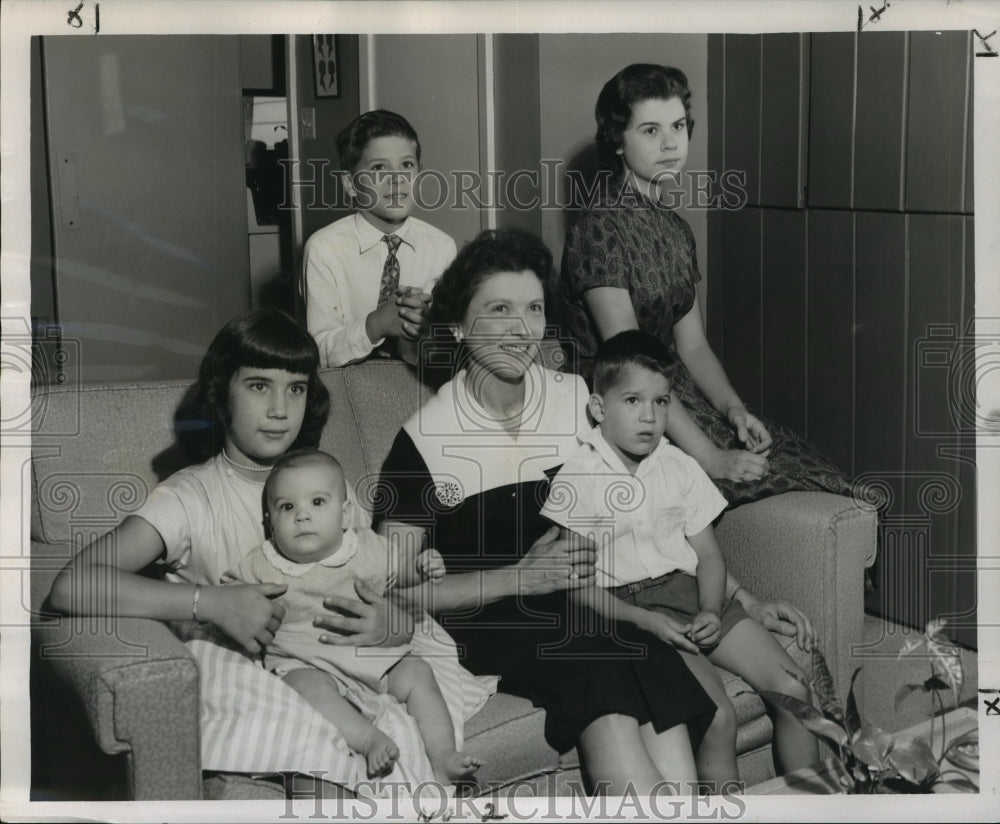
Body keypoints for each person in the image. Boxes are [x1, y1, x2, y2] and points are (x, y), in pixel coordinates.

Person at [374, 228, 813, 796]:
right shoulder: (424, 440)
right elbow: (391, 592)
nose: (519, 327)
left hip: (596, 599)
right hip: (499, 620)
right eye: (498, 309)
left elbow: (657, 512)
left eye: (532, 308)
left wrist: (745, 598)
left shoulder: (577, 401)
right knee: (602, 674)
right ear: (457, 325)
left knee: (663, 679)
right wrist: (517, 576)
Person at [47, 308, 474, 796]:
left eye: (295, 388)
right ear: (221, 393)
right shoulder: (191, 496)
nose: (279, 409)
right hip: (267, 676)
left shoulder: (322, 482)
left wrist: (391, 620)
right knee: (329, 770)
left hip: (352, 658)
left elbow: (371, 573)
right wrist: (207, 602)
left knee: (418, 731)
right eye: (257, 386)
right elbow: (70, 586)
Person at [559, 63, 853, 507]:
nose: (671, 142)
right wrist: (712, 458)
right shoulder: (597, 229)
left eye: (678, 126)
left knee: (816, 470)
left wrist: (735, 410)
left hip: (674, 394)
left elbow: (693, 346)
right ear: (618, 140)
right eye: (650, 130)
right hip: (625, 404)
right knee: (764, 478)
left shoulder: (676, 230)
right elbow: (631, 363)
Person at [540, 330, 818, 785]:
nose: (649, 417)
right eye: (632, 401)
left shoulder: (679, 465)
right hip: (634, 614)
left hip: (695, 596)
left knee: (794, 688)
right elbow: (577, 586)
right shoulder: (579, 477)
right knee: (716, 716)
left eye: (661, 402)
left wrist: (712, 607)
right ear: (598, 408)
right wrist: (644, 621)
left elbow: (708, 554)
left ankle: (812, 810)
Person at [229, 448, 484, 785]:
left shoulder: (364, 548)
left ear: (345, 513)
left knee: (418, 672)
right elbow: (230, 595)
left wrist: (421, 567)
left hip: (367, 652)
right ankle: (368, 740)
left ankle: (443, 755)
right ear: (270, 522)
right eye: (287, 507)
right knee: (304, 689)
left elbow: (398, 572)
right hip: (304, 660)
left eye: (317, 502)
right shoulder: (261, 563)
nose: (301, 516)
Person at [304, 109, 457, 367]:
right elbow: (319, 353)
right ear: (351, 184)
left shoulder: (442, 248)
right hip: (347, 391)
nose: (397, 180)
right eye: (378, 168)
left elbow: (454, 338)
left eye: (407, 165)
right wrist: (376, 325)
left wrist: (428, 328)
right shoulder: (324, 249)